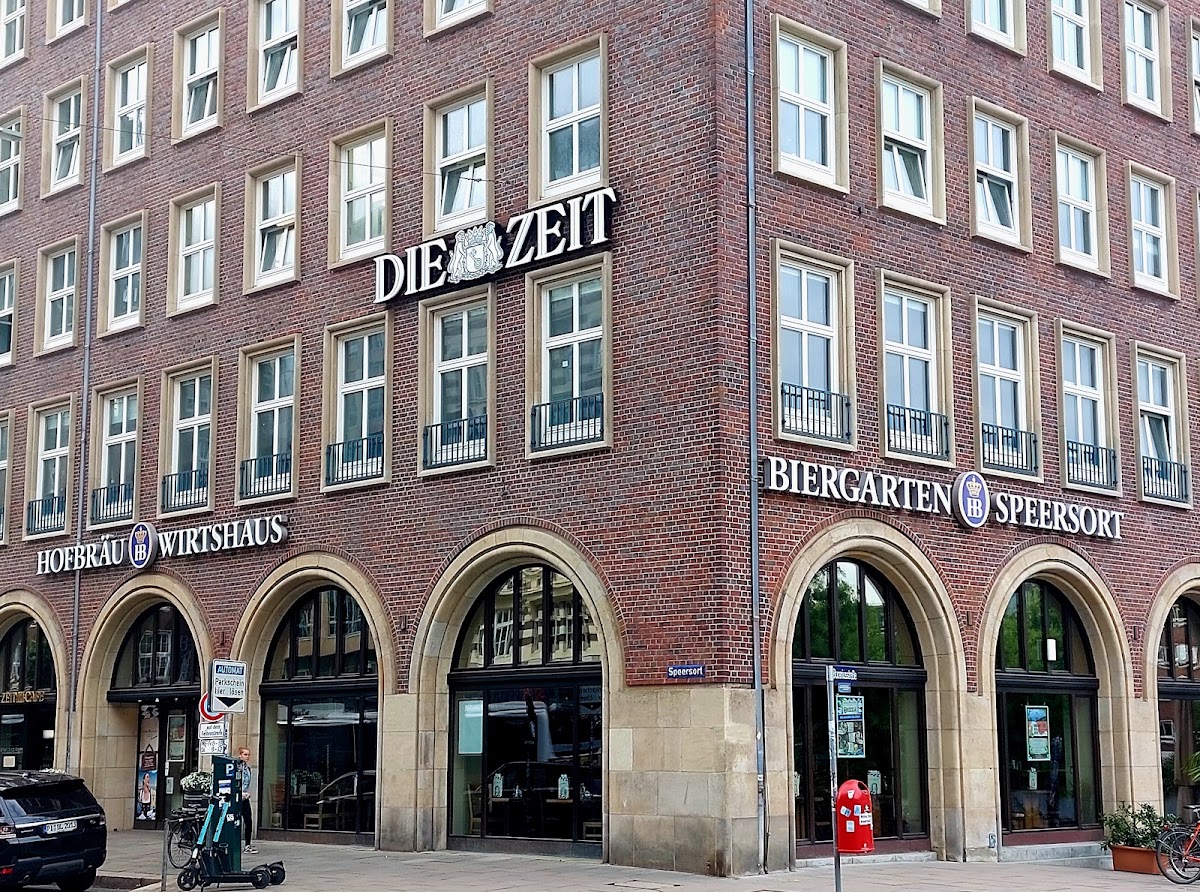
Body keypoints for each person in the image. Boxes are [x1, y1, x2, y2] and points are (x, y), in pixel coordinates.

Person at [238, 747, 257, 856]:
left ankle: (248, 845)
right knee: (235, 822)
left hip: (245, 798)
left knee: (248, 821)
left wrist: (246, 793)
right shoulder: (237, 768)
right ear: (240, 755)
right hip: (237, 797)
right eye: (245, 754)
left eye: (248, 754)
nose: (247, 756)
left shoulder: (247, 769)